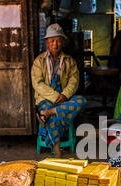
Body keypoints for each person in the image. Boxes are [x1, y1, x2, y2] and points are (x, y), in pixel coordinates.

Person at [31, 23, 86, 158]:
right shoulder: (39, 61)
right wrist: (56, 96)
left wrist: (65, 95)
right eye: (52, 41)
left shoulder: (69, 61)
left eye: (58, 40)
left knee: (81, 100)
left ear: (63, 42)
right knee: (55, 115)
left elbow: (74, 80)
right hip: (46, 98)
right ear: (47, 42)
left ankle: (47, 114)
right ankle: (57, 151)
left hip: (64, 98)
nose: (55, 44)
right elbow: (37, 84)